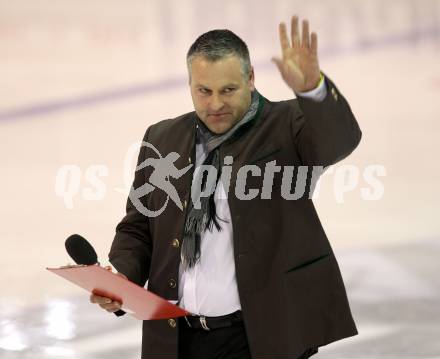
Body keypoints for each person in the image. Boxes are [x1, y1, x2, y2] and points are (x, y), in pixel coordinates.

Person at [90, 15, 362, 359]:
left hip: (259, 339)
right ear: (190, 84)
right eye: (204, 91)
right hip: (177, 341)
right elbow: (140, 227)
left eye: (228, 90)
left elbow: (339, 140)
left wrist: (313, 91)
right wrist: (121, 279)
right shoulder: (162, 138)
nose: (215, 104)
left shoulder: (287, 126)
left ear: (250, 79)